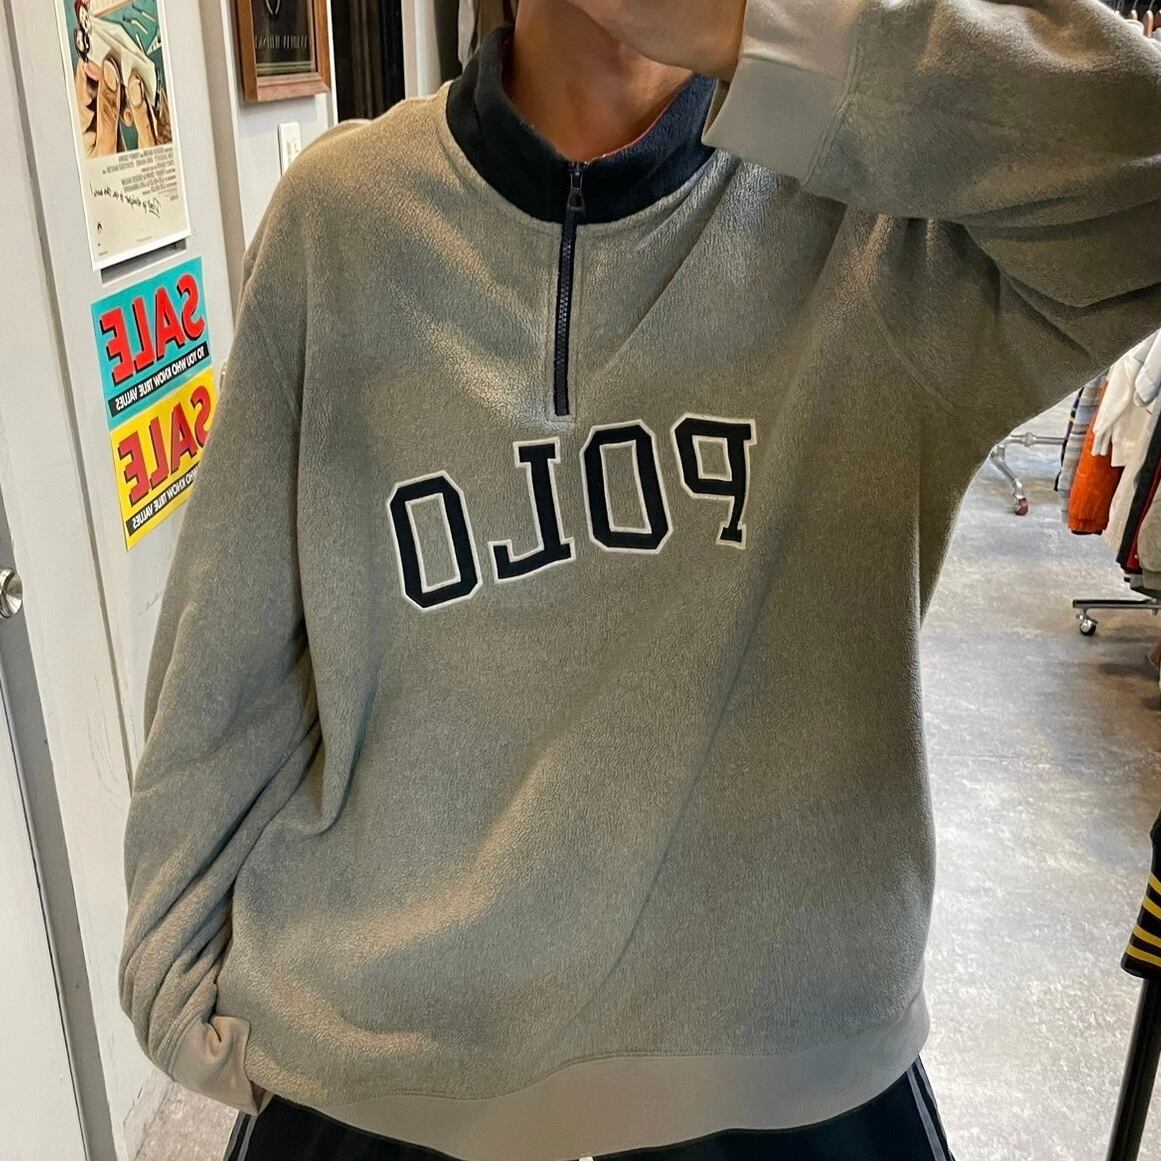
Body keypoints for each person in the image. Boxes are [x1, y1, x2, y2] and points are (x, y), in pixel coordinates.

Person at [118, 1, 1161, 1159]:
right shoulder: (343, 219)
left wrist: (763, 31)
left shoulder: (886, 225)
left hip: (792, 1074)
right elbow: (233, 636)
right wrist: (185, 983)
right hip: (387, 1076)